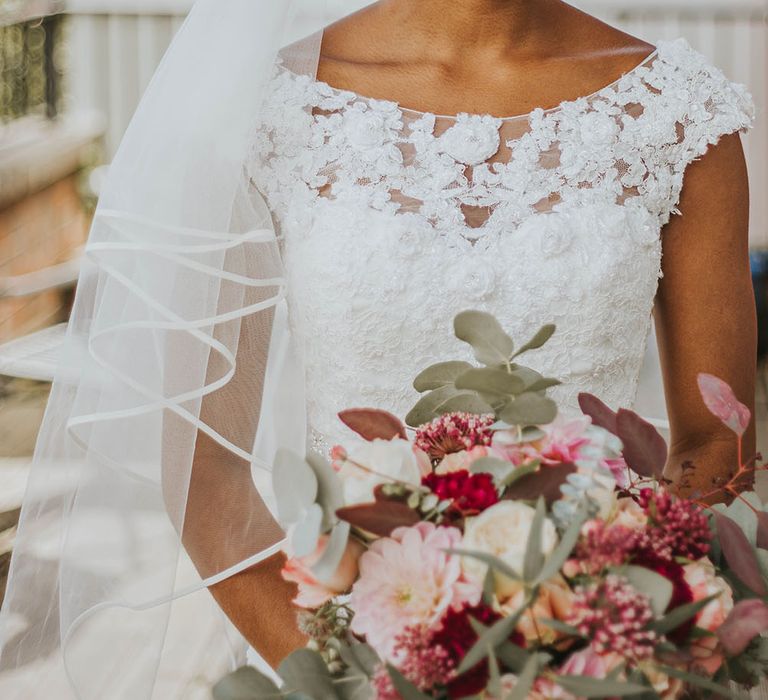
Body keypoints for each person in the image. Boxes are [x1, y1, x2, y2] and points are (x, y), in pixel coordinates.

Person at [0, 0, 757, 697]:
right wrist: (360, 678)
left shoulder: (677, 114)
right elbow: (207, 472)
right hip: (332, 649)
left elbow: (711, 445)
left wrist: (587, 656)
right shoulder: (272, 107)